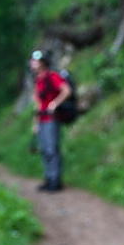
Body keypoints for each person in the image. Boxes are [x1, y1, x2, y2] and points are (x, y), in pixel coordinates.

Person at [30, 49, 71, 192]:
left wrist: (54, 103)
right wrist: (35, 124)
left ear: (42, 63)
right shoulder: (38, 80)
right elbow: (37, 103)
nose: (32, 63)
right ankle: (48, 179)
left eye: (35, 61)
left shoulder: (52, 76)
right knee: (44, 150)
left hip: (52, 119)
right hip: (41, 119)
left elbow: (66, 90)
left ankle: (56, 180)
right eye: (32, 60)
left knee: (52, 149)